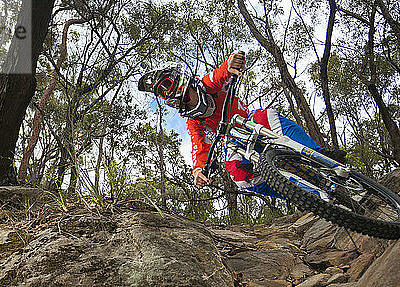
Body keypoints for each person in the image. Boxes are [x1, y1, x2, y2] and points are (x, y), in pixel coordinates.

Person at [138, 52, 346, 196]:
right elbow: (199, 146)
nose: (191, 104)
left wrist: (231, 65)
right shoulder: (194, 121)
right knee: (238, 175)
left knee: (268, 116)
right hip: (235, 141)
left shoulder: (206, 85)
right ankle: (298, 194)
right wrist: (198, 170)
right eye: (182, 103)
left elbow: (220, 74)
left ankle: (320, 155)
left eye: (188, 96)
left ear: (186, 82)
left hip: (250, 122)